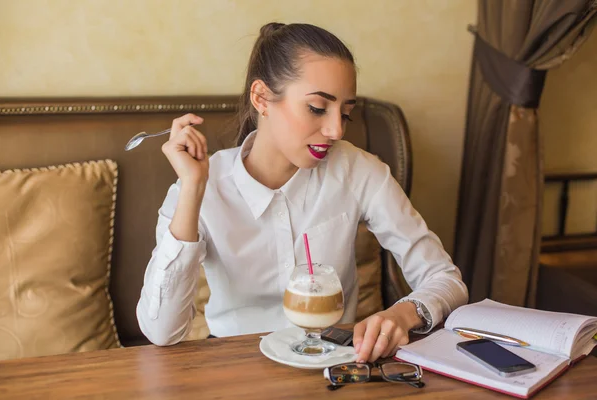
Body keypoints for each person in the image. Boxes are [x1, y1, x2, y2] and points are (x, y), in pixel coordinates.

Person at [137, 22, 468, 363]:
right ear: (261, 98)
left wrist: (403, 313)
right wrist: (192, 190)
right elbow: (162, 331)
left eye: (346, 113)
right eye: (317, 108)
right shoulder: (202, 185)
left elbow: (445, 279)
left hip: (334, 366)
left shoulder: (359, 172)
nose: (336, 129)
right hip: (234, 368)